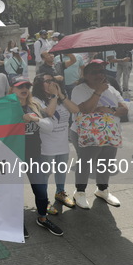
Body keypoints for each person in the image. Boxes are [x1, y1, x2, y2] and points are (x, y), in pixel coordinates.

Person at [71, 60, 127, 209]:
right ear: (86, 75)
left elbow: (124, 109)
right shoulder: (79, 89)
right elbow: (86, 110)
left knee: (106, 163)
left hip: (110, 133)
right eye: (94, 72)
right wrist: (98, 92)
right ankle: (80, 192)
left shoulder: (111, 89)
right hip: (87, 133)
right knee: (86, 163)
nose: (99, 75)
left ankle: (102, 190)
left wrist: (110, 110)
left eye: (101, 71)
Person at [11, 76, 63, 237]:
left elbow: (49, 124)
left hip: (34, 154)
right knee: (14, 191)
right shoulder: (7, 107)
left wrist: (36, 119)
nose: (24, 89)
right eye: (20, 86)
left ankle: (42, 217)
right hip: (13, 155)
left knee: (41, 189)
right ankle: (16, 221)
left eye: (27, 86)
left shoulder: (34, 105)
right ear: (12, 89)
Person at [32, 73, 80, 212]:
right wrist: (54, 96)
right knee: (45, 174)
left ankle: (60, 192)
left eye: (52, 81)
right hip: (46, 145)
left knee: (61, 170)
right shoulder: (35, 100)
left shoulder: (59, 98)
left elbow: (75, 110)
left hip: (62, 142)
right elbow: (49, 113)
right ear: (39, 84)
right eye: (47, 81)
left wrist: (61, 95)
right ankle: (44, 201)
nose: (51, 84)